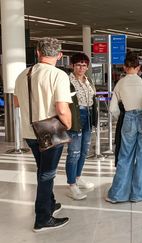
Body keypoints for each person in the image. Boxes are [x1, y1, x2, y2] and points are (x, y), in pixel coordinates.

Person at [14, 38, 72, 232]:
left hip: (29, 131)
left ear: (38, 52)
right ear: (60, 55)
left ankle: (49, 202)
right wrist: (68, 125)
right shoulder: (58, 75)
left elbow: (16, 103)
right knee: (47, 174)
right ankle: (43, 218)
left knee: (43, 169)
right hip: (50, 131)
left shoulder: (23, 74)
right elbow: (62, 108)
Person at [107, 53, 142, 203]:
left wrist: (122, 117)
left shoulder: (120, 83)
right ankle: (139, 194)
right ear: (138, 67)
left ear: (124, 67)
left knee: (124, 157)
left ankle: (117, 195)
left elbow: (113, 108)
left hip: (128, 118)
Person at [65, 53, 97, 200]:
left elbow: (93, 98)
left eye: (84, 65)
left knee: (84, 151)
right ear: (72, 66)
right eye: (78, 65)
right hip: (76, 117)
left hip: (89, 116)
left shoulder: (88, 80)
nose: (81, 68)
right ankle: (71, 185)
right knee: (74, 153)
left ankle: (77, 178)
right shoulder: (67, 81)